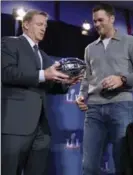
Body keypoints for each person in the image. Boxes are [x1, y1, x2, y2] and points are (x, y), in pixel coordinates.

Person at [1, 9, 81, 175]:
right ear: (26, 25)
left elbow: (49, 85)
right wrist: (44, 74)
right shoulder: (10, 43)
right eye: (39, 24)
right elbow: (6, 73)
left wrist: (66, 84)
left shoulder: (43, 55)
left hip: (41, 129)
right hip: (15, 126)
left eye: (45, 25)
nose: (43, 28)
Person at [76, 4, 133, 175]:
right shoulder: (89, 48)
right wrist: (81, 95)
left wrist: (122, 79)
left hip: (121, 106)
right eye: (94, 21)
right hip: (93, 110)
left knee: (122, 163)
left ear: (112, 19)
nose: (97, 24)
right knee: (89, 166)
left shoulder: (129, 41)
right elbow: (86, 78)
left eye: (101, 20)